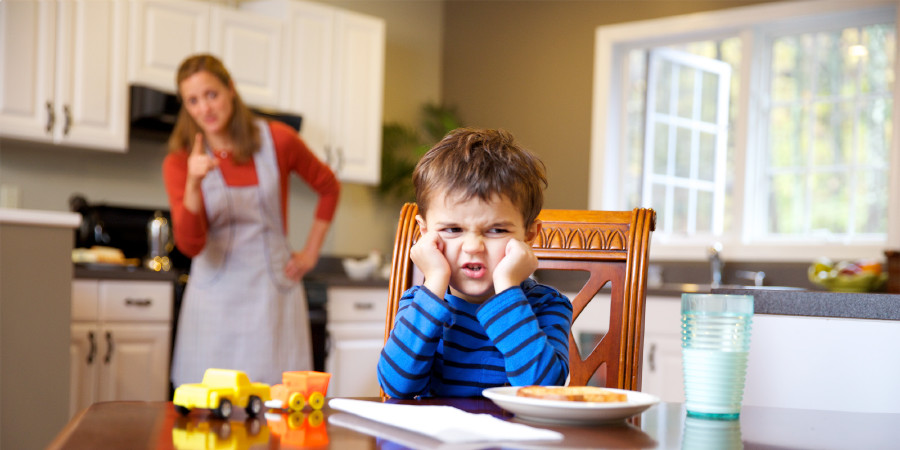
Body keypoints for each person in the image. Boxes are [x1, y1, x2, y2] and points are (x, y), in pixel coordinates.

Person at [163, 54, 340, 386]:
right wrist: (193, 183)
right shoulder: (180, 162)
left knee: (276, 407)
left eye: (211, 94)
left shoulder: (278, 140)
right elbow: (190, 244)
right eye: (193, 100)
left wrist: (310, 252)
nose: (205, 108)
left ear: (230, 89)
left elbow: (328, 186)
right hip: (213, 304)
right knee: (208, 406)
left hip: (272, 298)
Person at [377, 128, 572, 398]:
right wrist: (433, 281)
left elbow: (542, 389)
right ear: (425, 233)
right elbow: (396, 386)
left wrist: (506, 288)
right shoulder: (421, 303)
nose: (472, 247)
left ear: (528, 235)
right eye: (453, 229)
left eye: (496, 230)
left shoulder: (548, 305)